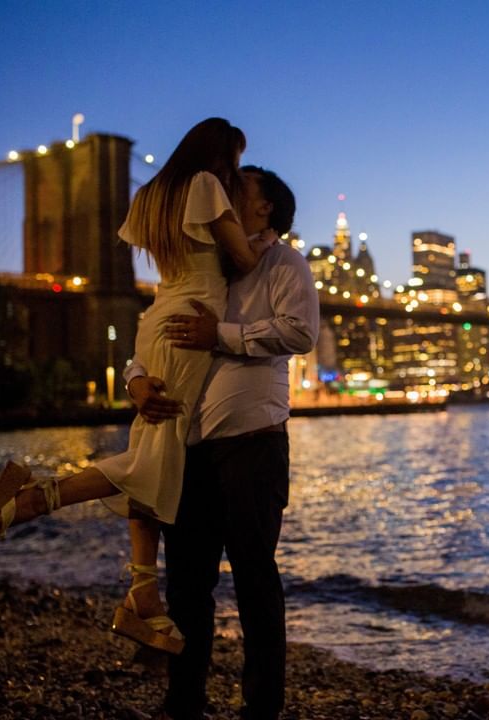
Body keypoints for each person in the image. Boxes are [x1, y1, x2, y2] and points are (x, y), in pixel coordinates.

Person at [0, 118, 271, 655]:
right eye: (235, 158)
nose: (237, 171)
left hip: (157, 319)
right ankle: (35, 497)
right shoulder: (204, 185)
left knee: (155, 451)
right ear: (219, 153)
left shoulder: (150, 196)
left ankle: (143, 594)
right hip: (191, 323)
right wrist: (268, 238)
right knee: (155, 459)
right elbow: (242, 260)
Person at [126, 166, 318, 720]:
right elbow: (150, 338)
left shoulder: (286, 265)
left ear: (264, 211)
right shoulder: (194, 264)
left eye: (240, 189)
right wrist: (136, 379)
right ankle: (183, 703)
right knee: (188, 585)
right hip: (187, 448)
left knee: (256, 581)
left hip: (252, 446)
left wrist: (224, 336)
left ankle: (261, 709)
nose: (224, 193)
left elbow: (301, 332)